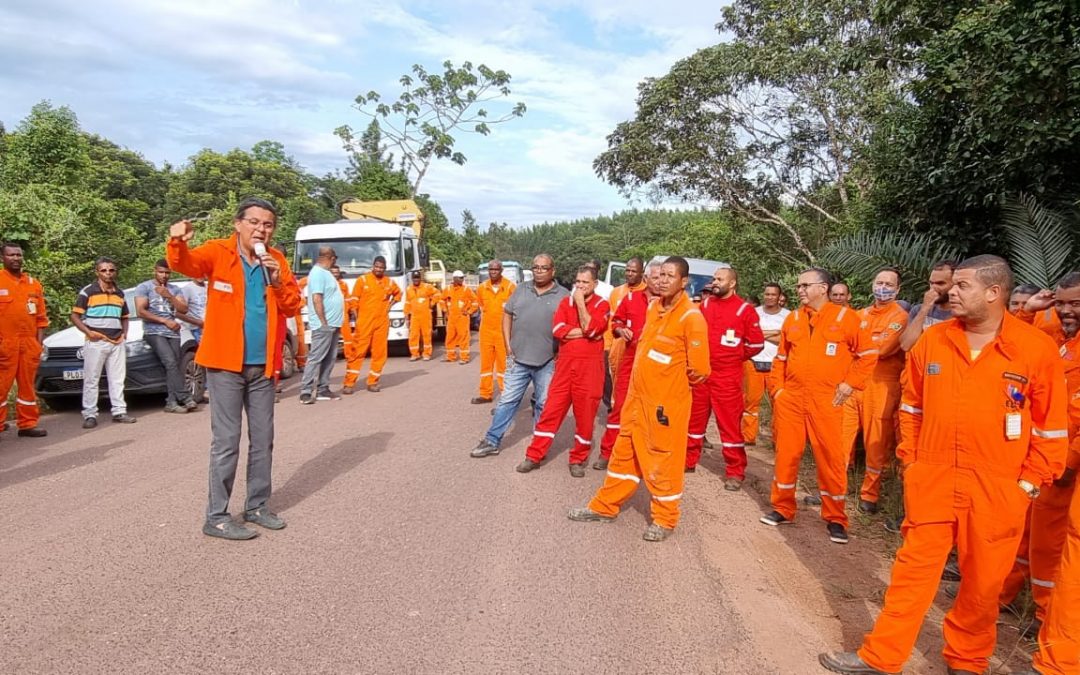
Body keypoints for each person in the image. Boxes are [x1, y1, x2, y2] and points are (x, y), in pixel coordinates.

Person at [819, 255, 1069, 675]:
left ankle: (967, 662)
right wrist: (912, 462)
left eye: (962, 286)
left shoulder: (1034, 349)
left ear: (994, 293)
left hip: (998, 488)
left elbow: (1050, 431)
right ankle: (881, 657)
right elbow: (911, 409)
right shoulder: (935, 341)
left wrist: (1027, 485)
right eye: (951, 286)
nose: (950, 292)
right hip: (932, 478)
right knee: (910, 573)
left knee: (982, 583)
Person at [167, 197, 302, 541]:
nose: (261, 229)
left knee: (263, 440)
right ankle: (217, 516)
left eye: (268, 224)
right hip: (225, 365)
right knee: (227, 441)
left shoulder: (278, 261)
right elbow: (186, 265)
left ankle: (257, 506)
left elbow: (291, 305)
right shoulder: (218, 252)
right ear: (238, 224)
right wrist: (177, 239)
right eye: (254, 222)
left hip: (262, 367)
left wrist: (275, 278)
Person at [568, 257, 710, 542]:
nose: (663, 280)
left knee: (662, 461)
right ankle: (605, 507)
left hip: (663, 407)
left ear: (684, 282)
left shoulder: (691, 317)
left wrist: (669, 389)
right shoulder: (654, 307)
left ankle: (665, 519)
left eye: (670, 276)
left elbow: (700, 371)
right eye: (660, 275)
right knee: (623, 456)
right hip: (636, 401)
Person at [760, 267, 876, 545]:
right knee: (786, 454)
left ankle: (835, 517)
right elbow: (781, 359)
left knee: (832, 459)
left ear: (823, 288)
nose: (799, 290)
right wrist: (778, 391)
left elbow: (869, 355)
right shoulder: (794, 320)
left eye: (804, 285)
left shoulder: (848, 319)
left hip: (828, 400)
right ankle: (783, 508)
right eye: (798, 286)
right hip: (792, 399)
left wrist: (851, 383)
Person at [999, 275, 1080, 636]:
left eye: (1074, 303)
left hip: (1066, 466)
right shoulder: (1057, 337)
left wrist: (1070, 459)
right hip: (1041, 456)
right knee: (1025, 533)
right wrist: (1028, 311)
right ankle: (1005, 595)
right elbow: (1009, 345)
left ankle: (1047, 620)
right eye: (1060, 303)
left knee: (1053, 544)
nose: (1065, 310)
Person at [469, 255, 570, 458]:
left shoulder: (564, 296)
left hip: (547, 361)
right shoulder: (521, 289)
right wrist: (508, 344)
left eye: (544, 268)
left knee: (543, 403)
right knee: (507, 400)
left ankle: (538, 446)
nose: (539, 271)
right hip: (519, 359)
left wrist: (561, 354)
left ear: (553, 271)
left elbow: (569, 326)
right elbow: (507, 314)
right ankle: (492, 440)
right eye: (536, 267)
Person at [516, 265, 610, 477]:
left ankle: (578, 459)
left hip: (589, 372)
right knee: (550, 412)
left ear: (595, 284)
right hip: (565, 370)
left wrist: (579, 306)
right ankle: (534, 455)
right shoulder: (563, 303)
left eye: (585, 282)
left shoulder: (602, 305)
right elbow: (558, 331)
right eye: (577, 282)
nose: (580, 286)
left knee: (585, 418)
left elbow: (593, 328)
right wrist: (584, 332)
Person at [685, 266, 764, 488]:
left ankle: (735, 471)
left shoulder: (744, 310)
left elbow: (756, 343)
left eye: (720, 279)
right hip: (702, 374)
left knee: (729, 426)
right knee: (694, 420)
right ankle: (689, 460)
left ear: (732, 284)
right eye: (714, 278)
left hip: (727, 377)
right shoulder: (706, 304)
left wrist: (734, 356)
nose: (715, 282)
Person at [840, 268, 909, 515]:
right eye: (879, 282)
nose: (883, 287)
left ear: (897, 289)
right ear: (872, 284)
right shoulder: (860, 314)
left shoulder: (900, 317)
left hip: (881, 385)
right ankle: (835, 488)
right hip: (853, 384)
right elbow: (845, 346)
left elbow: (884, 349)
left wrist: (861, 347)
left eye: (889, 284)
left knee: (875, 443)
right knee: (842, 439)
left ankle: (870, 494)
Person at [595, 262, 661, 470]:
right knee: (619, 408)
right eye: (657, 277)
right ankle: (608, 453)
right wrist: (621, 330)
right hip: (630, 363)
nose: (661, 282)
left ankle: (646, 458)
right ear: (646, 278)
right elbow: (616, 322)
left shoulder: (670, 304)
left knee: (652, 414)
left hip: (658, 369)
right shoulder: (630, 299)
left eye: (665, 277)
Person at [70, 256, 137, 429]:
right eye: (104, 270)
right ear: (97, 272)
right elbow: (75, 316)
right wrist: (88, 332)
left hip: (116, 341)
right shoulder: (88, 292)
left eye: (111, 270)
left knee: (117, 378)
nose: (108, 273)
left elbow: (125, 317)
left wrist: (125, 334)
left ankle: (119, 411)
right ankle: (90, 414)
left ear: (115, 271)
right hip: (96, 340)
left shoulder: (119, 293)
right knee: (92, 379)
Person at [0, 243, 49, 438]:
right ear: (3, 258)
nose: (15, 258)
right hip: (5, 343)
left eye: (18, 255)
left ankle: (28, 424)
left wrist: (38, 344)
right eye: (11, 255)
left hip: (29, 344)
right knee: (1, 386)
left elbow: (41, 318)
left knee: (28, 386)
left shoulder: (33, 283)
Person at [134, 259, 194, 413]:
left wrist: (169, 296)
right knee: (170, 362)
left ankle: (171, 402)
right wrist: (164, 321)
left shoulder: (174, 289)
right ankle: (185, 396)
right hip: (154, 331)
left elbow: (184, 309)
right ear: (155, 270)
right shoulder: (144, 287)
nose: (164, 275)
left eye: (167, 273)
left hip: (173, 331)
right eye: (161, 272)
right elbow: (141, 311)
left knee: (173, 365)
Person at [343, 255, 401, 393]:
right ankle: (349, 383)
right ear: (373, 266)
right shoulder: (362, 280)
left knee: (380, 353)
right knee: (358, 351)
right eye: (377, 267)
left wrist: (390, 305)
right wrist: (357, 318)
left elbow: (398, 294)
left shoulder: (389, 282)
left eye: (381, 268)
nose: (379, 269)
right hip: (364, 322)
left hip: (382, 322)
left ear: (385, 269)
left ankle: (373, 382)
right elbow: (354, 301)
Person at [742, 283, 790, 445]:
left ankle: (778, 440)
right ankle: (748, 437)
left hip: (777, 365)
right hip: (753, 362)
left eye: (773, 294)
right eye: (767, 294)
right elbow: (748, 336)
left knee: (778, 404)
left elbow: (784, 340)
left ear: (779, 297)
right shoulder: (753, 312)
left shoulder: (788, 316)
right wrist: (775, 333)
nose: (770, 297)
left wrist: (760, 334)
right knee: (750, 402)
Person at [298, 247, 343, 404]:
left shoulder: (326, 273)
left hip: (333, 324)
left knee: (329, 359)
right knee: (316, 357)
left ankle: (323, 389)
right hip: (324, 324)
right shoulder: (317, 273)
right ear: (330, 258)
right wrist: (323, 322)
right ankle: (306, 391)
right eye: (334, 259)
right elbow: (317, 298)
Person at [603, 257, 646, 410]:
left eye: (634, 271)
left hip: (638, 347)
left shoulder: (647, 293)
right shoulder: (616, 292)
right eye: (627, 270)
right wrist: (607, 345)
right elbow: (611, 322)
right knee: (616, 379)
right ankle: (615, 411)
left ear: (642, 273)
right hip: (617, 346)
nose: (629, 274)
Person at [473, 260, 517, 403]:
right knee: (486, 364)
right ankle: (485, 394)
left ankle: (506, 396)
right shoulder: (482, 288)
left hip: (503, 334)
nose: (493, 272)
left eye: (496, 269)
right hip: (486, 333)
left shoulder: (510, 287)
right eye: (491, 269)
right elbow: (480, 305)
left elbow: (516, 310)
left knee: (504, 365)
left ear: (501, 270)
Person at [898, 260, 956, 352]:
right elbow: (906, 345)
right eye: (931, 283)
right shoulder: (918, 310)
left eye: (940, 283)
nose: (933, 288)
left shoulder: (963, 314)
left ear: (955, 285)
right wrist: (925, 308)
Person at [442, 270, 478, 364]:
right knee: (450, 337)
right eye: (460, 278)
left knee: (463, 338)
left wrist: (469, 311)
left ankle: (464, 358)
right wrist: (445, 310)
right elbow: (442, 300)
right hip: (451, 318)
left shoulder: (466, 289)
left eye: (463, 278)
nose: (462, 279)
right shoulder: (448, 289)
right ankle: (450, 356)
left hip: (462, 318)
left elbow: (475, 302)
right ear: (454, 278)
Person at [404, 269, 440, 362]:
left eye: (417, 278)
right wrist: (406, 317)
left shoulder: (427, 287)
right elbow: (407, 303)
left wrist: (432, 304)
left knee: (426, 335)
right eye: (414, 278)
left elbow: (437, 293)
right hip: (414, 316)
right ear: (412, 279)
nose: (416, 280)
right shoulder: (409, 289)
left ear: (420, 278)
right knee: (413, 335)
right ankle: (414, 354)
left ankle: (427, 354)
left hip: (425, 315)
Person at [177, 277, 207, 344]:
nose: (199, 276)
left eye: (202, 273)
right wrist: (198, 322)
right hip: (197, 329)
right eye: (196, 273)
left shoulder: (208, 287)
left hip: (210, 327)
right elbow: (177, 313)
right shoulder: (187, 289)